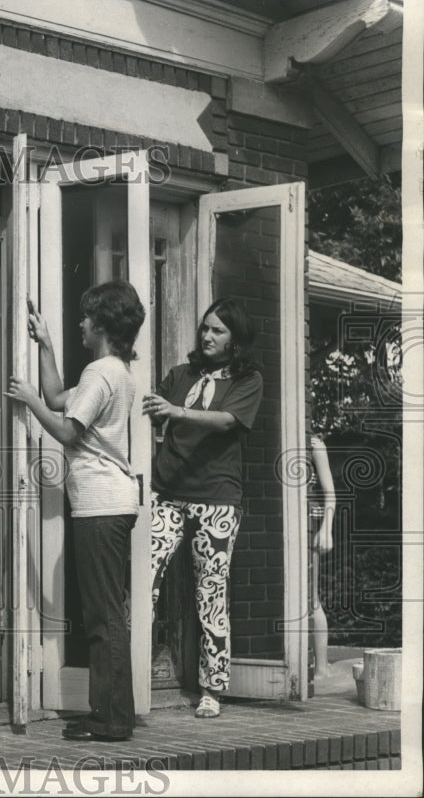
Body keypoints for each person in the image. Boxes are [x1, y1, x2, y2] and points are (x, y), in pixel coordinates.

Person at [6, 281, 145, 742]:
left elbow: (65, 430)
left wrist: (26, 401)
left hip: (102, 507)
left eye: (86, 318)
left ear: (102, 324)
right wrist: (44, 344)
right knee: (106, 613)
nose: (80, 324)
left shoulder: (101, 373)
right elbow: (58, 398)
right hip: (107, 505)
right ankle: (111, 714)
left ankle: (110, 720)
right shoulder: (112, 369)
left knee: (104, 617)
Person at [142, 298, 263, 719]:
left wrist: (177, 411)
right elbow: (148, 414)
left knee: (210, 593)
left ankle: (212, 689)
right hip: (167, 492)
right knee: (141, 581)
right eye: (205, 328)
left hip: (217, 499)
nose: (207, 336)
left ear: (236, 340)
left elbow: (227, 421)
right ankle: (130, 677)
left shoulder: (248, 381)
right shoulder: (181, 375)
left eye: (218, 331)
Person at [307, 433, 337, 681]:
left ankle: (322, 666)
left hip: (310, 525)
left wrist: (326, 529)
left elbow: (330, 493)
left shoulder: (315, 445)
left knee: (311, 598)